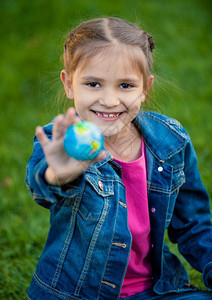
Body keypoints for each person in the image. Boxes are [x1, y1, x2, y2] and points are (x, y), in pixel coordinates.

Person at [25, 17, 212, 299]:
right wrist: (58, 176)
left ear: (145, 88)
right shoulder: (61, 142)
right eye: (93, 84)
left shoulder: (170, 142)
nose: (110, 100)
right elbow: (42, 186)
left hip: (157, 291)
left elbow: (194, 224)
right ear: (69, 84)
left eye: (125, 85)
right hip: (78, 294)